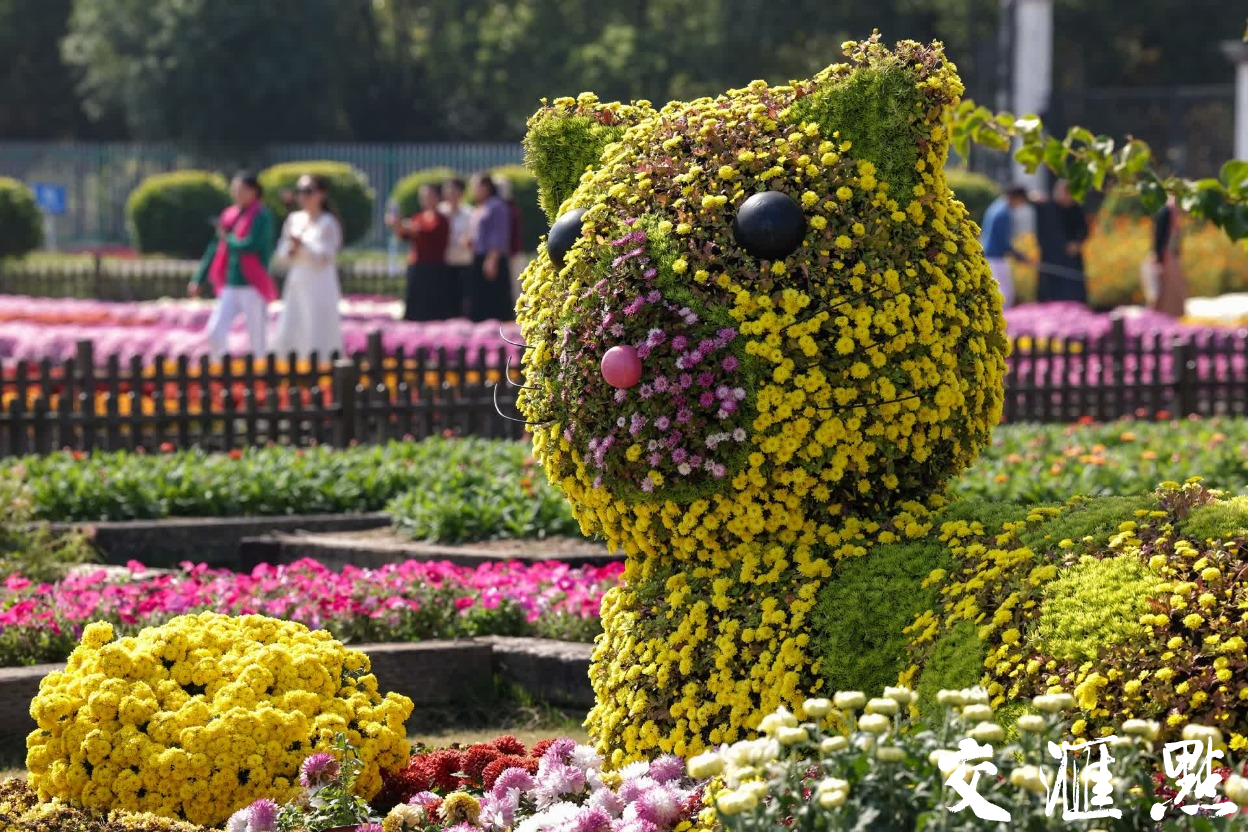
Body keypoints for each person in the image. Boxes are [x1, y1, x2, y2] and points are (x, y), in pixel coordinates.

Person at [190, 171, 278, 357]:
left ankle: (261, 377)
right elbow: (214, 248)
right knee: (215, 331)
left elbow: (252, 244)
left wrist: (228, 239)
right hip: (230, 283)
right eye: (235, 189)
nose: (237, 193)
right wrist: (199, 278)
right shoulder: (229, 215)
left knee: (258, 338)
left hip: (252, 284)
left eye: (242, 189)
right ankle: (221, 372)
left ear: (254, 191)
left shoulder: (262, 216)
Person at [272, 174, 345, 360]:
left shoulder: (328, 222)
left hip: (320, 281)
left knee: (317, 324)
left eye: (308, 191)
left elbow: (325, 256)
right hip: (298, 279)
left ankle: (321, 363)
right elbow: (282, 253)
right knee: (293, 321)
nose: (303, 196)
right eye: (300, 192)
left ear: (321, 194)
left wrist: (302, 245)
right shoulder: (294, 219)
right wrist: (291, 249)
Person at [387, 183, 451, 321]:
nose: (426, 199)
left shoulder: (442, 219)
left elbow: (428, 233)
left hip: (434, 267)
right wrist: (397, 225)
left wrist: (408, 227)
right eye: (423, 196)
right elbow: (404, 235)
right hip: (417, 264)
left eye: (429, 195)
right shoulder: (418, 217)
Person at [979, 184, 1036, 309]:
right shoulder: (1003, 213)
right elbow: (1004, 243)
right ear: (1016, 197)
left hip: (990, 255)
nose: (1021, 205)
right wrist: (1021, 257)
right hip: (996, 257)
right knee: (1006, 294)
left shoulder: (996, 207)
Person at [467, 174, 515, 322]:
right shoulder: (480, 206)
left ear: (486, 188)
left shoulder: (497, 206)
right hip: (479, 256)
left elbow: (498, 234)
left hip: (492, 258)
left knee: (495, 298)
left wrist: (492, 259)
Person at [1034, 179, 1089, 303]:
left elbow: (1084, 230)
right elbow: (1023, 197)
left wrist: (1077, 243)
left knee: (1074, 293)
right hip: (1051, 258)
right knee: (1051, 294)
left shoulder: (1076, 209)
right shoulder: (1047, 207)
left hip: (1071, 259)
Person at [439, 178, 474, 318]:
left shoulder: (469, 213)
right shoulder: (439, 211)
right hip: (444, 261)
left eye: (455, 191)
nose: (451, 194)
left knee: (462, 299)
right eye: (448, 191)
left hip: (463, 261)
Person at [1150, 194, 1187, 317]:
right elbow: (1159, 238)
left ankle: (1174, 315)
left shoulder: (1174, 214)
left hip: (1172, 257)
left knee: (1176, 291)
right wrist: (1159, 259)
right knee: (1165, 292)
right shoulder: (1165, 213)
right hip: (1165, 257)